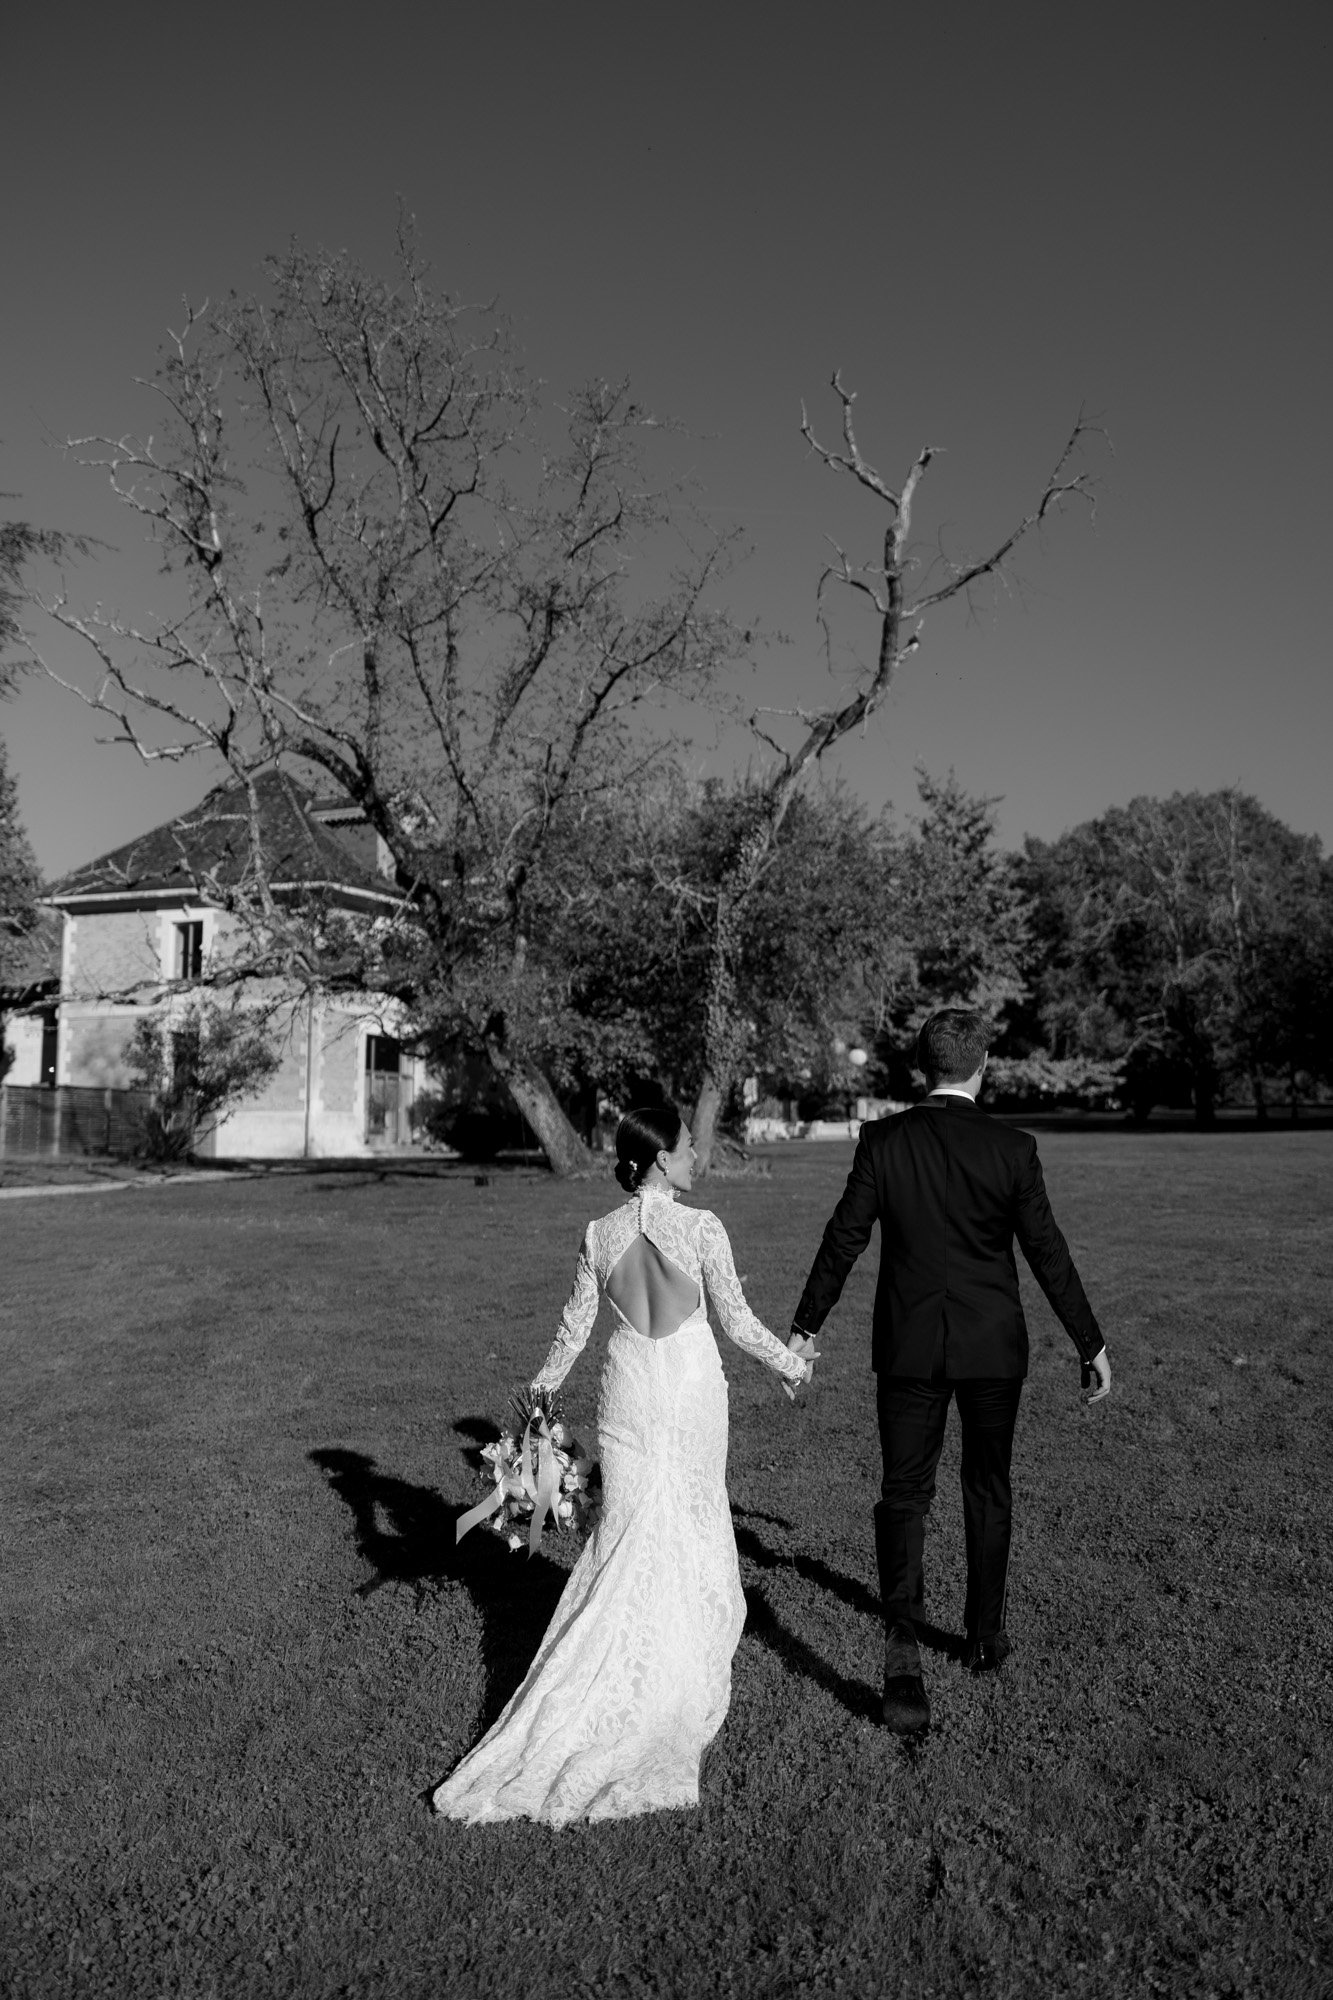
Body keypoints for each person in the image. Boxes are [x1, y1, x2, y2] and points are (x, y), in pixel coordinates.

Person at [432, 1102, 816, 1824]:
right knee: (694, 1510)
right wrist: (790, 1364)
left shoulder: (598, 1233)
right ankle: (679, 1655)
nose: (696, 1157)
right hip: (690, 1386)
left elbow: (574, 1329)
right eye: (686, 1147)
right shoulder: (701, 1227)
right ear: (662, 1159)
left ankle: (604, 1658)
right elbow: (733, 1320)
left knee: (629, 1528)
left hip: (628, 1388)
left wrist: (536, 1407)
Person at [789, 1008, 1110, 1734]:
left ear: (924, 1065)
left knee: (903, 1492)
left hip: (908, 1345)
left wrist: (804, 1328)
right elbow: (1046, 1252)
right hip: (992, 1345)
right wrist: (1087, 1342)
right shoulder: (1011, 1148)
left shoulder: (882, 1141)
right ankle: (983, 1636)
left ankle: (902, 1633)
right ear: (981, 1064)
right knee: (986, 1484)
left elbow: (843, 1238)